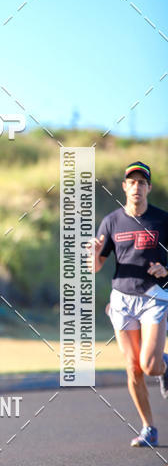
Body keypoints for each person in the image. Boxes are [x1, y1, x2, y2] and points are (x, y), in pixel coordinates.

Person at [92, 161, 168, 447]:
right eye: (131, 182)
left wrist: (166, 270)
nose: (136, 187)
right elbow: (96, 267)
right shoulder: (112, 221)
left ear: (149, 187)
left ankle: (163, 365)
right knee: (132, 367)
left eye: (141, 182)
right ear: (124, 187)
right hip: (122, 300)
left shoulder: (163, 220)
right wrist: (96, 253)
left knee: (149, 365)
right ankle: (149, 428)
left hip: (154, 298)